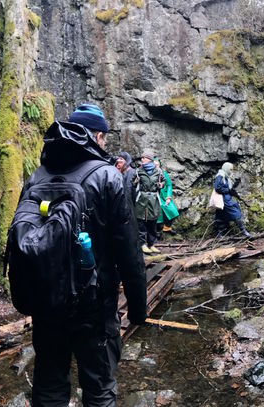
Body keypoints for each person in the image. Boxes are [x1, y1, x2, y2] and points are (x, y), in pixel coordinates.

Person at [29, 104, 146, 406]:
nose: (105, 145)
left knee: (49, 387)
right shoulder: (108, 176)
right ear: (96, 136)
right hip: (93, 307)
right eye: (104, 139)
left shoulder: (39, 174)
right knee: (99, 388)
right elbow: (130, 251)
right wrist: (138, 309)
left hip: (46, 302)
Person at [135, 150, 162, 254]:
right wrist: (135, 182)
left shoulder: (158, 171)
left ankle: (152, 244)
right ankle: (142, 244)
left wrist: (161, 185)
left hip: (154, 199)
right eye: (141, 158)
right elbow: (133, 183)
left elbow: (163, 181)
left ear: (150, 159)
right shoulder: (138, 171)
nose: (142, 159)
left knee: (152, 223)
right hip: (141, 198)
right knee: (141, 223)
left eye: (144, 158)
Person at [213, 162, 250, 238]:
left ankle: (220, 234)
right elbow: (217, 188)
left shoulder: (225, 176)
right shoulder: (220, 176)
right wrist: (228, 190)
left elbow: (226, 188)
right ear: (226, 168)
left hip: (225, 199)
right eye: (230, 169)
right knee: (235, 213)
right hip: (223, 200)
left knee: (221, 216)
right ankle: (243, 232)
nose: (231, 171)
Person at [155, 159, 179, 234]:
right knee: (157, 214)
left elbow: (169, 185)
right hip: (155, 197)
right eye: (154, 165)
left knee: (172, 210)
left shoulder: (163, 173)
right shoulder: (150, 174)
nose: (156, 167)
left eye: (157, 165)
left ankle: (167, 227)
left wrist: (168, 197)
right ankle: (157, 231)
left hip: (163, 196)